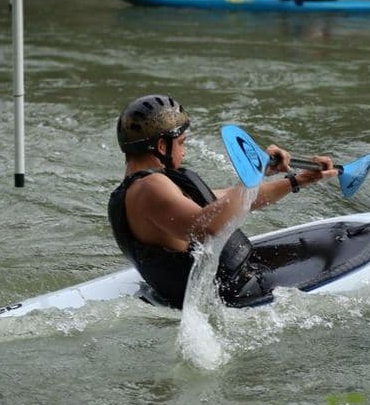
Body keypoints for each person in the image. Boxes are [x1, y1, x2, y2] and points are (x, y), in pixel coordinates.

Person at [108, 94, 338, 309]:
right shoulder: (150, 188)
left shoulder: (137, 189)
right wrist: (251, 174)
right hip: (233, 298)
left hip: (201, 296)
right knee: (330, 254)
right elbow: (208, 226)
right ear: (161, 146)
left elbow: (229, 201)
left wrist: (296, 180)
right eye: (181, 143)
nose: (184, 152)